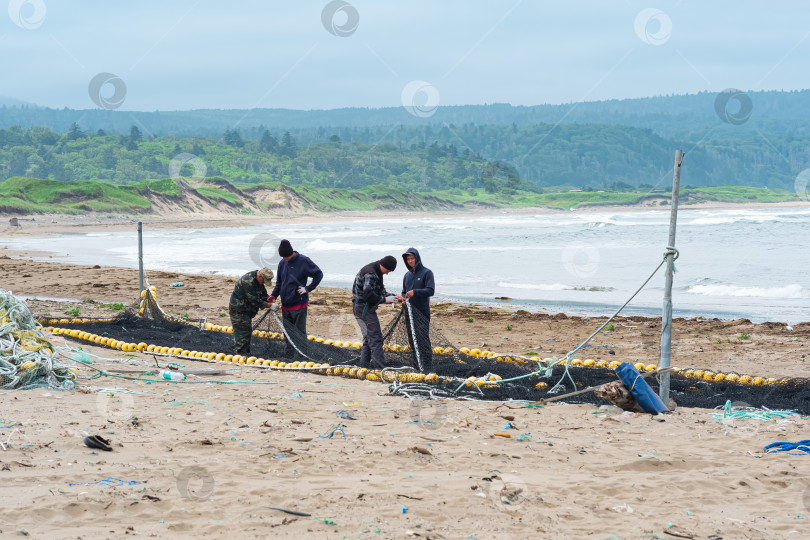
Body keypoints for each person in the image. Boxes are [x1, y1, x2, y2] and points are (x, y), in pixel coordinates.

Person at [268, 239, 323, 356]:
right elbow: (279, 283)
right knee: (287, 332)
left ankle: (303, 355)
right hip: (286, 305)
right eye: (282, 257)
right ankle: (289, 355)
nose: (283, 259)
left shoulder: (304, 261)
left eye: (285, 257)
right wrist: (273, 295)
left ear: (290, 253)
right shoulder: (282, 263)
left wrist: (308, 288)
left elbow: (319, 274)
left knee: (299, 332)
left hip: (299, 304)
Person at [352, 255, 398, 370]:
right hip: (363, 309)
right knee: (376, 339)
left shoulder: (377, 270)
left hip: (360, 307)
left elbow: (380, 290)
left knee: (368, 339)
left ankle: (364, 367)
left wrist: (392, 296)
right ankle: (380, 369)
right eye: (388, 270)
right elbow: (368, 295)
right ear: (384, 266)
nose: (387, 273)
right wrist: (384, 300)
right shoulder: (371, 273)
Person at [397, 248, 435, 372]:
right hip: (409, 312)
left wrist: (415, 292)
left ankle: (427, 367)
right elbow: (404, 290)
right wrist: (403, 298)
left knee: (423, 340)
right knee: (412, 340)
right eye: (408, 259)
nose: (410, 261)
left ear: (417, 258)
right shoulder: (407, 275)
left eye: (412, 258)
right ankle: (416, 366)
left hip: (422, 313)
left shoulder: (427, 273)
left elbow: (430, 290)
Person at [229, 267, 274, 355]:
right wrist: (270, 305)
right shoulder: (248, 281)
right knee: (243, 333)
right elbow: (254, 300)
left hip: (247, 311)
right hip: (239, 310)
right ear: (260, 276)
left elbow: (262, 294)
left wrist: (268, 299)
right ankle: (241, 355)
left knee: (246, 331)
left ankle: (245, 353)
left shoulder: (258, 280)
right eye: (264, 281)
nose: (264, 283)